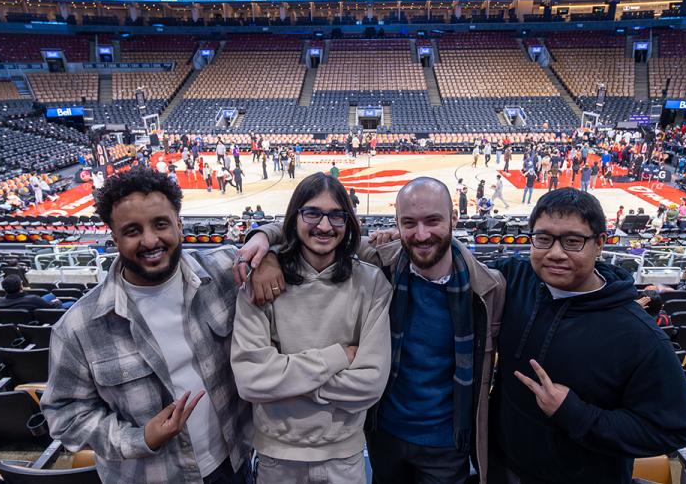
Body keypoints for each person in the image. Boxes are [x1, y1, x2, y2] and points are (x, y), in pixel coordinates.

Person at [236, 177, 506, 483]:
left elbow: (369, 382)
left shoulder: (489, 286)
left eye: (433, 221)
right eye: (409, 222)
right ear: (397, 223)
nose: (421, 234)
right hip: (384, 435)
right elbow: (305, 230)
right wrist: (263, 243)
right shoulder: (383, 262)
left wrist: (285, 387)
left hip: (446, 442)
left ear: (454, 218)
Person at [42, 168, 256, 483]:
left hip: (233, 464)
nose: (150, 240)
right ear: (114, 237)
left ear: (179, 225)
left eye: (160, 224)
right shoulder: (77, 327)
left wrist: (267, 255)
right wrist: (141, 438)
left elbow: (286, 242)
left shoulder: (226, 271)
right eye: (132, 230)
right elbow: (65, 417)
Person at [487, 188, 686, 483]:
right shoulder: (516, 278)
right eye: (544, 239)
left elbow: (671, 429)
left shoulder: (641, 337)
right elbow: (452, 268)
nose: (555, 253)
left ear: (599, 244)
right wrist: (399, 243)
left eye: (573, 241)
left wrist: (574, 413)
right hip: (502, 468)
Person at [231, 173, 392, 484]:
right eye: (312, 213)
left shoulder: (371, 284)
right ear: (295, 218)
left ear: (348, 222)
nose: (324, 225)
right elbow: (251, 381)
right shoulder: (262, 284)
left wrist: (283, 385)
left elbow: (370, 384)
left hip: (344, 459)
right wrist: (338, 358)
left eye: (336, 215)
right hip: (277, 460)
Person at [0, 274, 73, 311]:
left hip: (17, 317)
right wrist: (57, 303)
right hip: (34, 317)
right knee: (71, 303)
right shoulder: (33, 299)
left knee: (50, 295)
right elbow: (50, 309)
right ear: (21, 287)